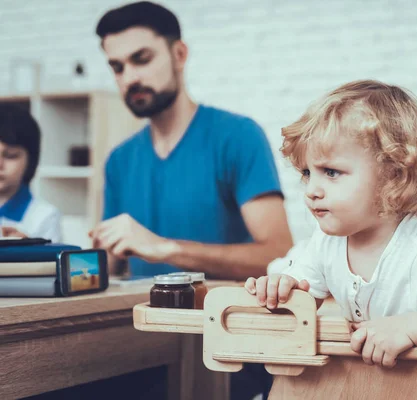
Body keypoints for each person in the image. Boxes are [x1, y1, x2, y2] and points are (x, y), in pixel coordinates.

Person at [89, 3, 292, 399]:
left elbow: (279, 254)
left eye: (141, 59)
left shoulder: (237, 136)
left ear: (179, 55)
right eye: (117, 67)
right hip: (140, 348)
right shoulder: (119, 160)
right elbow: (114, 267)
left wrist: (166, 249)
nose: (130, 77)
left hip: (226, 350)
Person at [245, 80, 417, 368]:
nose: (311, 190)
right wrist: (282, 288)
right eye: (308, 173)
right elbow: (302, 295)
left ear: (392, 177)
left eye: (331, 172)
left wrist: (406, 328)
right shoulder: (326, 242)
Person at [0, 104, 61, 242]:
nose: (0, 164)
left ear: (31, 161)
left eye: (10, 155)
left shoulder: (45, 216)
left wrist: (29, 250)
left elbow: (52, 263)